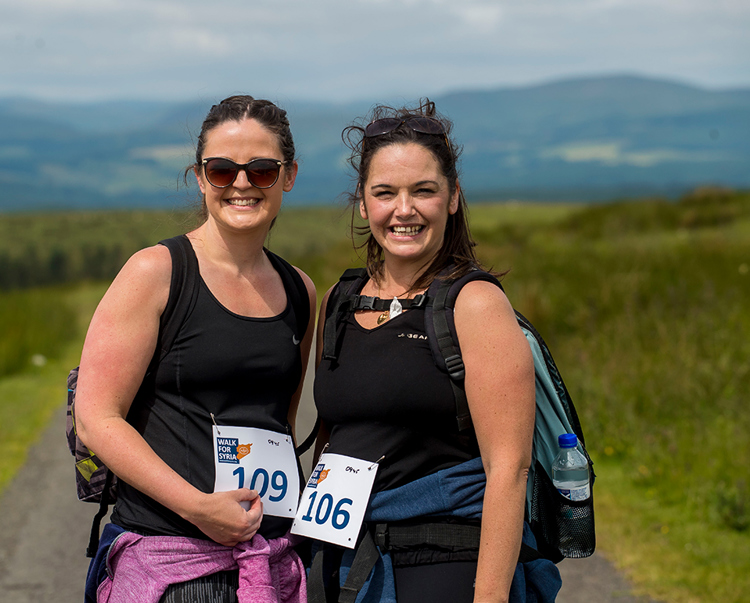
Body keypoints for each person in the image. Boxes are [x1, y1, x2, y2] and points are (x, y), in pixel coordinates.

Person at [310, 100, 561, 602]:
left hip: (444, 563)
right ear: (363, 203)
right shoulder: (342, 300)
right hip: (346, 562)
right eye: (385, 193)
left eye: (423, 190)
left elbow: (508, 470)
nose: (404, 210)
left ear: (452, 197)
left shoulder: (475, 304)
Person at [75, 95, 316, 603]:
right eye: (223, 170)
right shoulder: (157, 273)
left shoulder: (300, 290)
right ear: (201, 177)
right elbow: (96, 417)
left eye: (263, 170)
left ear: (289, 175)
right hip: (170, 560)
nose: (243, 184)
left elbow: (279, 424)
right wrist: (198, 507)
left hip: (269, 563)